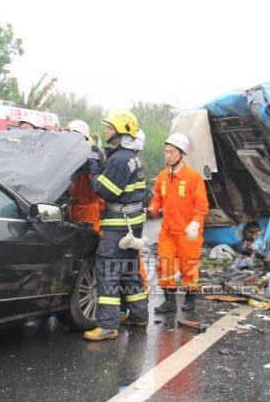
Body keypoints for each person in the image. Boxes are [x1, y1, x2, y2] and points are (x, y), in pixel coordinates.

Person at [82, 110, 148, 341]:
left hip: (118, 228)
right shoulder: (131, 157)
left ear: (121, 132)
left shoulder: (120, 160)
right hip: (132, 226)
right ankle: (139, 316)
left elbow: (105, 191)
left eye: (110, 128)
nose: (106, 131)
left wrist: (93, 169)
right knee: (130, 271)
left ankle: (107, 326)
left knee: (108, 272)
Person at [148, 133, 210, 313]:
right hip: (168, 230)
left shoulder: (193, 177)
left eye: (171, 152)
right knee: (165, 263)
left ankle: (190, 298)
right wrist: (153, 207)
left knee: (188, 265)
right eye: (166, 152)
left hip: (188, 231)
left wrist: (195, 223)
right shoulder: (162, 176)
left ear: (181, 153)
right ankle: (169, 301)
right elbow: (157, 197)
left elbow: (202, 205)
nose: (167, 155)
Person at [67, 120, 103, 232]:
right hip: (74, 209)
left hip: (89, 211)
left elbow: (97, 185)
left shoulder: (91, 156)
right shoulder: (70, 156)